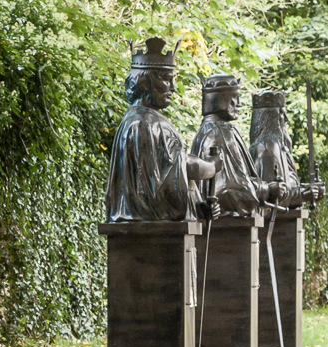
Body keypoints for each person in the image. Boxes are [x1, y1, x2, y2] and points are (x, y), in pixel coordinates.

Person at [105, 37, 216, 222]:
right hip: (153, 228)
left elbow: (163, 182)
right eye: (166, 80)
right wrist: (211, 167)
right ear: (145, 81)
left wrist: (197, 207)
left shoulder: (134, 120)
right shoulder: (147, 123)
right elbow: (178, 168)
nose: (172, 87)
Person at [192, 74, 281, 216]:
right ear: (219, 100)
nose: (238, 103)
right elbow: (229, 190)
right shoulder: (218, 133)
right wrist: (267, 189)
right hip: (229, 227)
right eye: (233, 98)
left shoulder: (218, 130)